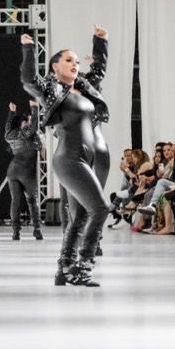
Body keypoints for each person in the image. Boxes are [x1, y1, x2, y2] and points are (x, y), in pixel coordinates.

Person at [20, 31, 109, 287]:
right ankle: (84, 265)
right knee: (101, 209)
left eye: (77, 62)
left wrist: (101, 42)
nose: (75, 64)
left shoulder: (84, 89)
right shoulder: (51, 90)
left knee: (79, 217)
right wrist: (28, 49)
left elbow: (98, 72)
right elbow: (29, 79)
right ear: (55, 67)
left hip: (86, 158)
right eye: (69, 60)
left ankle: (64, 269)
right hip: (69, 159)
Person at [61, 26, 110, 252]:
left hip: (86, 151)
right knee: (87, 202)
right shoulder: (59, 94)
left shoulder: (76, 91)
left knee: (85, 203)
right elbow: (98, 70)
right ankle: (85, 245)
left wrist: (100, 41)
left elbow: (98, 70)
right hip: (88, 150)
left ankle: (81, 247)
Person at [4, 100, 42, 241]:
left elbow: (8, 126)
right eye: (28, 121)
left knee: (15, 201)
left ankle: (16, 232)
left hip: (12, 170)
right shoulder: (27, 133)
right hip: (26, 171)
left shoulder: (10, 135)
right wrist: (34, 108)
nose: (29, 123)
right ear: (24, 123)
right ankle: (37, 230)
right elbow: (34, 126)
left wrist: (12, 112)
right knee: (32, 200)